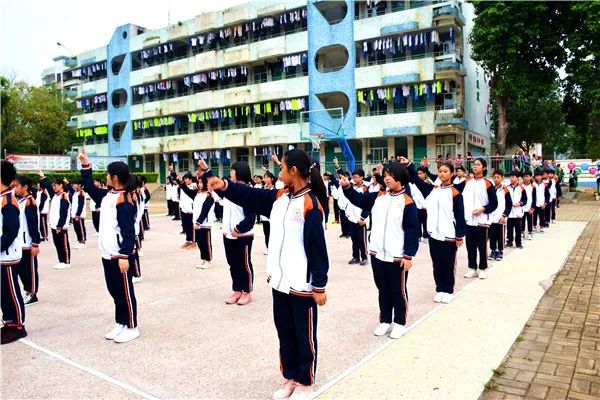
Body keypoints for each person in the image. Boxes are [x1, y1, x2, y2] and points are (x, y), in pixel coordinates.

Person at [208, 149, 328, 399]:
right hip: (280, 283)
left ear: (293, 170)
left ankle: (306, 382)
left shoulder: (310, 204)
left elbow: (317, 248)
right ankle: (291, 378)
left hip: (301, 285)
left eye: (282, 167)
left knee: (303, 336)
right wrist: (225, 186)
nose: (278, 172)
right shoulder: (280, 197)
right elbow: (251, 196)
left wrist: (319, 285)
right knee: (285, 333)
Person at [340, 161, 419, 339]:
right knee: (382, 289)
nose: (387, 178)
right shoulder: (379, 197)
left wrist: (408, 255)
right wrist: (347, 187)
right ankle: (385, 321)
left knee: (398, 291)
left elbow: (412, 230)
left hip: (396, 256)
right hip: (377, 253)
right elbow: (358, 200)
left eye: (390, 175)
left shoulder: (407, 202)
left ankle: (399, 322)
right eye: (385, 176)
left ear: (400, 176)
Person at [79, 149, 140, 343]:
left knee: (125, 291)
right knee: (114, 291)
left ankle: (132, 325)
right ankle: (120, 323)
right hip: (107, 253)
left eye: (107, 174)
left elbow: (129, 232)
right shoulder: (107, 196)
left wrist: (124, 256)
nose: (104, 177)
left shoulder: (124, 200)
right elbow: (89, 187)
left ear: (114, 178)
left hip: (119, 255)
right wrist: (85, 165)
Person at [407, 160, 465, 304]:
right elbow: (416, 180)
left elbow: (460, 216)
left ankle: (448, 290)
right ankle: (439, 289)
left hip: (449, 236)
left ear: (451, 174)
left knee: (449, 264)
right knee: (436, 264)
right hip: (434, 235)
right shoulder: (432, 190)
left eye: (445, 171)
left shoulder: (455, 193)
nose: (442, 174)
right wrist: (409, 165)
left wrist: (459, 236)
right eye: (440, 171)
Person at [219, 161, 256, 306]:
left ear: (240, 172)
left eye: (233, 170)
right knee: (233, 264)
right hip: (228, 235)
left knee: (244, 264)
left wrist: (238, 229)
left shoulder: (248, 191)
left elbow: (251, 217)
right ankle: (237, 290)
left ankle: (247, 291)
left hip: (243, 235)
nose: (230, 173)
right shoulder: (230, 190)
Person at [1, 161, 26, 344]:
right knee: (3, 292)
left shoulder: (8, 201)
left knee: (11, 292)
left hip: (7, 254)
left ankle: (18, 326)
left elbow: (11, 231)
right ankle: (9, 322)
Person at [461, 158, 498, 279]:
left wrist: (482, 209)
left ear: (484, 168)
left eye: (478, 165)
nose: (475, 167)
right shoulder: (468, 183)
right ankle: (472, 268)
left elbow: (494, 203)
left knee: (482, 246)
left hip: (482, 220)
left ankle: (482, 268)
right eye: (474, 164)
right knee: (470, 246)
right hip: (469, 221)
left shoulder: (488, 183)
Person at [14, 176, 42, 306]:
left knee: (30, 271)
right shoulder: (20, 201)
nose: (15, 189)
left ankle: (33, 294)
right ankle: (27, 292)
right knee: (22, 271)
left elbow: (33, 224)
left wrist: (35, 243)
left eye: (17, 186)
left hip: (28, 243)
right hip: (20, 243)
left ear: (25, 187)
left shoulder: (30, 202)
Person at [39, 173, 72, 270]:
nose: (53, 187)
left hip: (60, 226)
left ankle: (66, 261)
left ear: (61, 185)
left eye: (55, 185)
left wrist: (59, 226)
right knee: (57, 244)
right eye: (53, 185)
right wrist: (43, 177)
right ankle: (61, 261)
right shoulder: (55, 195)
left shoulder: (63, 196)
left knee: (63, 244)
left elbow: (63, 213)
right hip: (53, 225)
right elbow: (48, 187)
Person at [488, 170, 511, 262]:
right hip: (491, 217)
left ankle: (500, 251)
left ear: (502, 178)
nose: (496, 179)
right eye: (494, 177)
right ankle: (493, 250)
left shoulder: (505, 190)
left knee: (500, 235)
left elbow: (509, 204)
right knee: (492, 235)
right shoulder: (490, 189)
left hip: (501, 217)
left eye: (498, 177)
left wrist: (504, 215)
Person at [505, 171, 527, 249]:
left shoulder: (521, 188)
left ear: (517, 178)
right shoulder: (506, 188)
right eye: (510, 177)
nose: (511, 178)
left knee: (518, 229)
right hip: (509, 212)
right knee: (509, 229)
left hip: (518, 212)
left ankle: (518, 243)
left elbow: (525, 200)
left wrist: (520, 204)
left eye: (513, 177)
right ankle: (509, 242)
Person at [178, 173, 196, 249]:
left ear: (190, 179)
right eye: (184, 179)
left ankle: (194, 241)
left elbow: (188, 193)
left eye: (186, 179)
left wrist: (181, 183)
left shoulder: (194, 186)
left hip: (191, 210)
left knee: (191, 226)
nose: (185, 180)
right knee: (186, 226)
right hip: (184, 209)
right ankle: (188, 240)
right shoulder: (184, 186)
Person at [261, 171, 276, 254]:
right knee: (266, 232)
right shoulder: (263, 189)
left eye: (267, 178)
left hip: (273, 214)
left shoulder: (275, 190)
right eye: (265, 178)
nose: (265, 179)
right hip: (265, 216)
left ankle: (273, 247)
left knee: (273, 232)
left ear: (272, 179)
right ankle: (267, 247)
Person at [70, 179, 88, 249]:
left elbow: (81, 205)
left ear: (79, 185)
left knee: (80, 228)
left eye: (75, 184)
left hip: (79, 215)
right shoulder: (75, 192)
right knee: (76, 229)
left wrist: (78, 214)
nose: (74, 185)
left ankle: (83, 242)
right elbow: (70, 189)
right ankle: (79, 240)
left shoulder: (81, 193)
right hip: (74, 214)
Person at [521, 171, 535, 240]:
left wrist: (532, 208)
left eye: (527, 176)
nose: (526, 178)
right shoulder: (520, 186)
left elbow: (534, 198)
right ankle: (522, 232)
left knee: (530, 221)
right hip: (522, 207)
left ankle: (530, 232)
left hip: (530, 207)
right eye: (524, 176)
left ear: (531, 177)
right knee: (522, 221)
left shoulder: (533, 187)